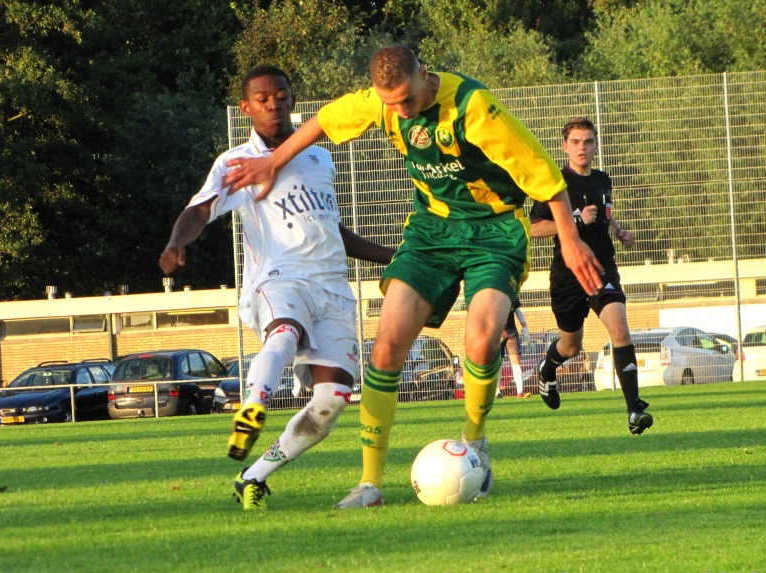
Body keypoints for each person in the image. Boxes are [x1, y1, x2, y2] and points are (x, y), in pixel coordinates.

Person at [222, 45, 603, 508]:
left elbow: (545, 175)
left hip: (495, 230)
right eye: (391, 103)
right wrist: (272, 161)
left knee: (482, 339)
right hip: (429, 231)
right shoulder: (382, 105)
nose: (400, 111)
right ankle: (369, 484)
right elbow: (324, 119)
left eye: (406, 99)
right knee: (384, 348)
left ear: (425, 74)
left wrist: (569, 239)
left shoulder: (475, 108)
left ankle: (475, 442)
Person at [159, 65, 394, 510]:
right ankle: (252, 409)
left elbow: (329, 228)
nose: (273, 104)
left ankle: (253, 474)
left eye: (280, 95)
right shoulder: (236, 162)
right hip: (279, 279)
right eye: (262, 98)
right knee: (283, 333)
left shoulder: (319, 157)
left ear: (291, 98)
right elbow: (201, 209)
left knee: (331, 403)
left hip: (333, 289)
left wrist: (390, 256)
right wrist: (176, 242)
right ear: (246, 106)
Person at [529, 117, 653, 435]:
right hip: (568, 273)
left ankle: (634, 410)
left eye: (588, 141)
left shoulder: (602, 180)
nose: (582, 147)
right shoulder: (554, 183)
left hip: (601, 268)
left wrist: (619, 231)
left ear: (596, 145)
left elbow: (604, 215)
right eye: (575, 142)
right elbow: (535, 227)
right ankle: (548, 367)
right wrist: (574, 222)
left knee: (620, 330)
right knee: (571, 347)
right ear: (564, 146)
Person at [501, 298, 532, 399]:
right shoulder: (492, 293)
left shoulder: (512, 293)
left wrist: (525, 328)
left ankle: (520, 391)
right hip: (497, 333)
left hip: (512, 334)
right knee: (497, 362)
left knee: (516, 361)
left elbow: (517, 310)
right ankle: (496, 392)